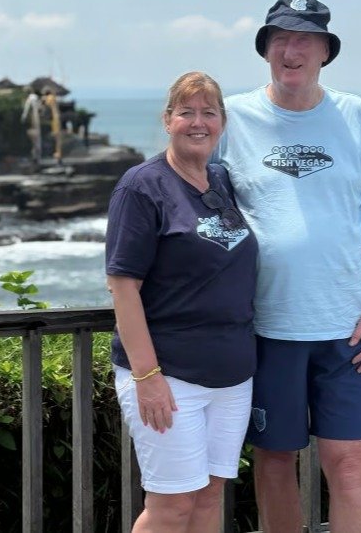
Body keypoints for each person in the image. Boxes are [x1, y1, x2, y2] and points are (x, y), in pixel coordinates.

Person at [216, 0, 361, 533]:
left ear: (325, 52)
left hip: (346, 329)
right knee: (275, 462)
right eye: (280, 39)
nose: (290, 51)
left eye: (304, 40)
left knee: (349, 465)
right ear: (265, 49)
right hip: (266, 327)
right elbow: (192, 205)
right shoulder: (234, 118)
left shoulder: (356, 115)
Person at [106, 71, 258, 532]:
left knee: (209, 498)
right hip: (169, 376)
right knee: (171, 506)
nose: (198, 122)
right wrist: (147, 376)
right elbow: (122, 285)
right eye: (186, 112)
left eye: (209, 113)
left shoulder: (221, 181)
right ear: (167, 120)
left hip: (232, 377)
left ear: (222, 122)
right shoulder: (141, 186)